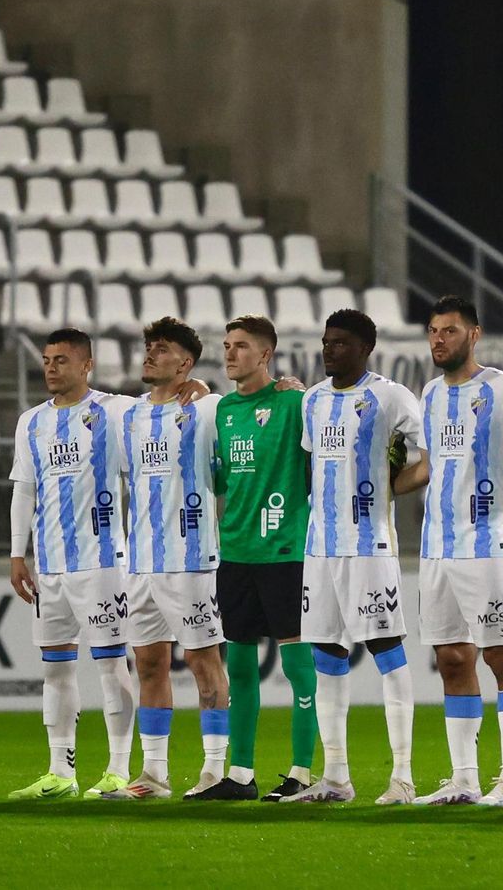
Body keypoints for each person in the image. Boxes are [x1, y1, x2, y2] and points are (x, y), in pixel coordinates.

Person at [6, 327, 206, 800]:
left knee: (111, 665)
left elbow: (164, 405)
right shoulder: (31, 422)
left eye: (61, 360)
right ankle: (60, 772)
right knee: (55, 669)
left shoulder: (116, 412)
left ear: (86, 365)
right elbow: (24, 490)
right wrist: (17, 553)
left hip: (104, 562)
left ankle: (117, 769)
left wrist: (196, 388)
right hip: (49, 565)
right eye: (47, 360)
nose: (51, 368)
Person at [391, 295, 503, 806]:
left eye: (449, 330)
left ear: (474, 335)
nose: (439, 339)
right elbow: (431, 465)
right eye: (433, 331)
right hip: (437, 547)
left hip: (488, 544)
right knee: (452, 658)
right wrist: (384, 486)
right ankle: (464, 779)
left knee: (501, 655)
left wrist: (500, 474)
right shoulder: (430, 393)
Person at [286, 309, 427, 805]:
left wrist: (394, 486)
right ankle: (336, 778)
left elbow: (429, 456)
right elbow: (312, 466)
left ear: (365, 348)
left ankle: (403, 777)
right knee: (326, 653)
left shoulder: (391, 396)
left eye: (341, 343)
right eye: (326, 342)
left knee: (387, 648)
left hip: (368, 544)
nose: (329, 350)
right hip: (320, 547)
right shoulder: (313, 400)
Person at [189, 315, 318, 803]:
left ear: (265, 354)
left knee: (298, 665)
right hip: (236, 552)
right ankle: (241, 774)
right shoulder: (223, 410)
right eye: (226, 345)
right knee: (240, 667)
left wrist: (301, 389)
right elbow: (222, 479)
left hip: (284, 551)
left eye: (241, 346)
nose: (229, 353)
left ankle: (302, 772)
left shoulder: (294, 403)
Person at [101, 317, 229, 800]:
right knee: (149, 664)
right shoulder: (127, 415)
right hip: (140, 562)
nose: (150, 354)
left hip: (191, 559)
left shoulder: (208, 407)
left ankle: (214, 768)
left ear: (186, 362)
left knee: (202, 661)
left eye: (162, 348)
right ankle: (154, 774)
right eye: (149, 346)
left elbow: (250, 405)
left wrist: (206, 386)